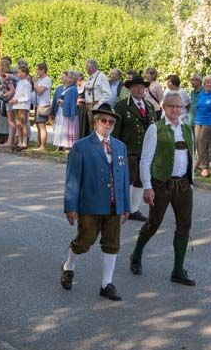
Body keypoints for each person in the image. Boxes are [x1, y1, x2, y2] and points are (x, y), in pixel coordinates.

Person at [60, 103, 130, 301]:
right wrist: (70, 206)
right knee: (84, 241)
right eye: (103, 120)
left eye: (111, 122)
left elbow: (124, 177)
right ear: (95, 121)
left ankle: (106, 284)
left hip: (114, 204)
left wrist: (125, 206)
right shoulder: (81, 146)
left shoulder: (119, 146)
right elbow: (72, 178)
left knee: (112, 243)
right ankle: (68, 266)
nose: (107, 124)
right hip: (90, 203)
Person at [129, 91, 196, 286]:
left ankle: (177, 270)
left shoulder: (186, 129)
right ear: (164, 108)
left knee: (184, 225)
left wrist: (192, 183)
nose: (175, 109)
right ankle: (136, 255)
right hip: (161, 184)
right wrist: (147, 187)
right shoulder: (155, 129)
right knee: (154, 223)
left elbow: (190, 157)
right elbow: (146, 160)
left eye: (178, 106)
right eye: (171, 106)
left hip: (183, 184)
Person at [113, 74, 156, 222]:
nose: (139, 89)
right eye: (136, 87)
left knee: (140, 180)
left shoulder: (149, 106)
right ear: (130, 89)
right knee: (128, 180)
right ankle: (124, 208)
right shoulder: (121, 106)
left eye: (142, 87)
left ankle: (134, 209)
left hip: (145, 151)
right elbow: (116, 131)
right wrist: (115, 150)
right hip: (128, 150)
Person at [51, 71, 79, 152]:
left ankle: (68, 147)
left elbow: (72, 102)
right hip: (62, 111)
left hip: (68, 112)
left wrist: (62, 102)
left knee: (68, 129)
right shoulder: (68, 88)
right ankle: (60, 145)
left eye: (71, 78)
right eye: (68, 78)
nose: (69, 79)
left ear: (74, 79)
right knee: (61, 128)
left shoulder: (73, 89)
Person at [8, 66, 32, 150]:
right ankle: (20, 142)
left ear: (24, 73)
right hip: (17, 105)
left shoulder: (26, 83)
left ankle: (24, 143)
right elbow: (17, 94)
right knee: (18, 124)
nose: (17, 73)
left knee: (23, 124)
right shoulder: (19, 82)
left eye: (19, 72)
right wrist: (13, 99)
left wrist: (16, 100)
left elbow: (27, 97)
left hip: (23, 106)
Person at [83, 59, 111, 130]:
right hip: (89, 106)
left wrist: (98, 105)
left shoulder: (102, 77)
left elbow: (107, 94)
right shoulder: (90, 77)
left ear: (92, 67)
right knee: (91, 127)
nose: (86, 69)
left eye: (87, 67)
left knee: (98, 128)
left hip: (97, 106)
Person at [34, 63, 52, 151]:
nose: (36, 71)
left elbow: (40, 91)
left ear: (43, 70)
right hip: (38, 104)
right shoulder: (40, 79)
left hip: (43, 105)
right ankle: (39, 143)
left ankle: (43, 146)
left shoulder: (46, 80)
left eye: (38, 70)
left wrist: (35, 84)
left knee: (42, 126)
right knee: (38, 125)